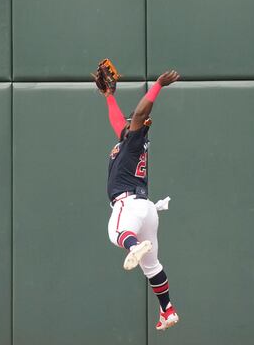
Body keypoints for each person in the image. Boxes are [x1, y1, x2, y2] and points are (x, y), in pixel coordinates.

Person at [100, 70, 180, 331]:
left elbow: (138, 116)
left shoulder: (134, 140)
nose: (126, 123)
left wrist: (157, 85)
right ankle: (167, 310)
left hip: (129, 204)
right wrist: (109, 97)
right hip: (147, 209)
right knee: (152, 267)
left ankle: (133, 245)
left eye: (130, 122)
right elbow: (119, 123)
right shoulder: (127, 142)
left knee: (115, 232)